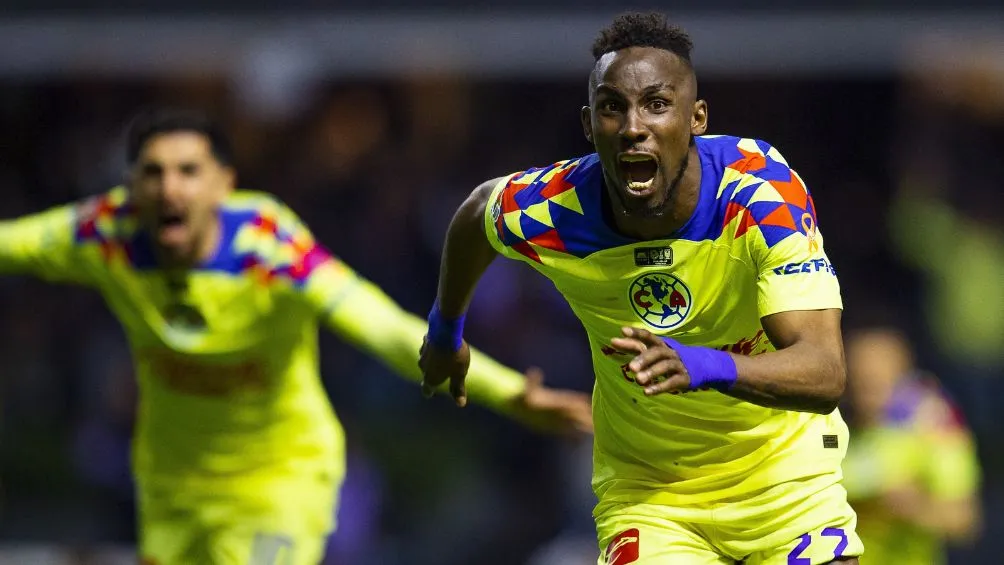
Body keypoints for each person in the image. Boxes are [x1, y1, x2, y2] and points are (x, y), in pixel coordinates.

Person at [0, 108, 593, 565]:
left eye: (188, 172)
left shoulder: (268, 246)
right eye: (152, 173)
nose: (170, 189)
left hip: (277, 481)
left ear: (222, 183)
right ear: (132, 186)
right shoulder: (106, 233)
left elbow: (377, 321)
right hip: (172, 489)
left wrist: (510, 393)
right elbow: (13, 243)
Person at [420, 11, 862, 565]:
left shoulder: (759, 193)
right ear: (589, 124)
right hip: (651, 494)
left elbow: (825, 372)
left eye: (656, 104)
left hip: (784, 478)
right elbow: (476, 213)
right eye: (613, 107)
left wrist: (705, 365)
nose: (633, 126)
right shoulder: (554, 209)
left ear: (696, 118)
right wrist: (445, 329)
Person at [842, 327, 981, 565]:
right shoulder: (827, 429)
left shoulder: (933, 429)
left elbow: (965, 521)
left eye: (876, 381)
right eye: (858, 380)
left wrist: (912, 506)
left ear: (902, 377)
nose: (864, 393)